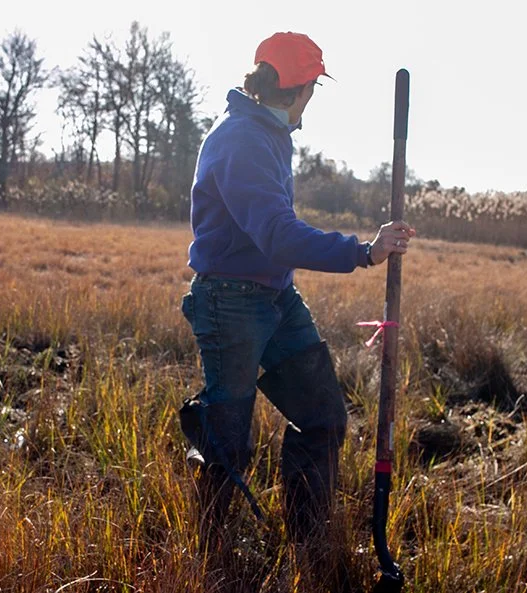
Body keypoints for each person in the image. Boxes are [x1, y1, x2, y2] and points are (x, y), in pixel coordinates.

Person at [179, 30, 415, 566]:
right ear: (300, 87)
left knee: (323, 416)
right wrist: (364, 252)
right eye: (312, 88)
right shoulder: (240, 140)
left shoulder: (267, 134)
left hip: (277, 299)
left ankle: (309, 544)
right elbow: (278, 235)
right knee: (229, 445)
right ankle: (214, 559)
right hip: (229, 303)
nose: (312, 102)